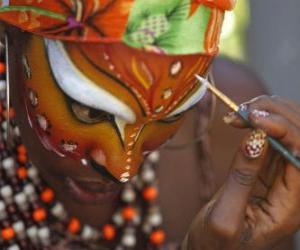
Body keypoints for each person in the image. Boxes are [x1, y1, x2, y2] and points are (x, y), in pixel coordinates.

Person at [0, 1, 299, 249]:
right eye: (89, 112)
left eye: (167, 114)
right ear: (11, 36)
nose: (124, 170)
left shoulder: (229, 132)